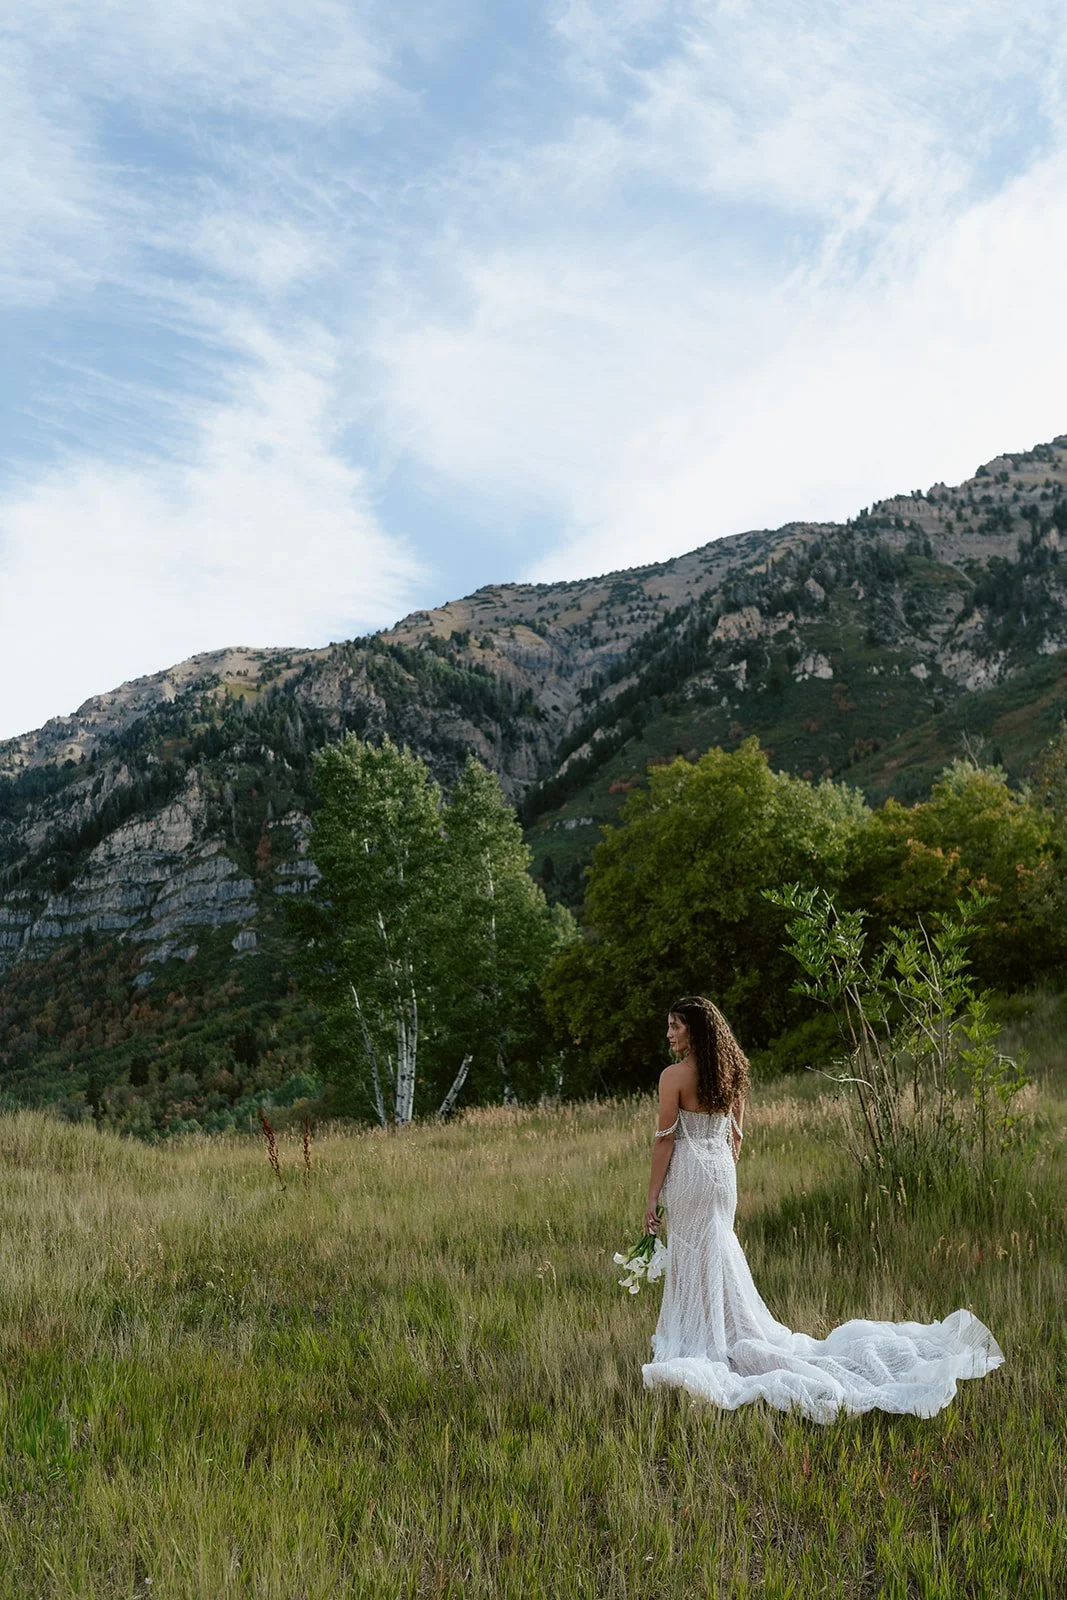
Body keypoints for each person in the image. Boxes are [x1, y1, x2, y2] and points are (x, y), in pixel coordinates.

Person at [640, 995, 1004, 1423]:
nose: (668, 1034)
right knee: (718, 1249)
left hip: (690, 1173)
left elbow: (665, 1138)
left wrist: (651, 1199)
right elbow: (741, 1097)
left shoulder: (674, 1076)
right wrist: (734, 1134)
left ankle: (704, 1338)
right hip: (720, 1171)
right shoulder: (731, 1068)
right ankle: (722, 1331)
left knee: (696, 1251)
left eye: (674, 1026)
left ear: (694, 1030)